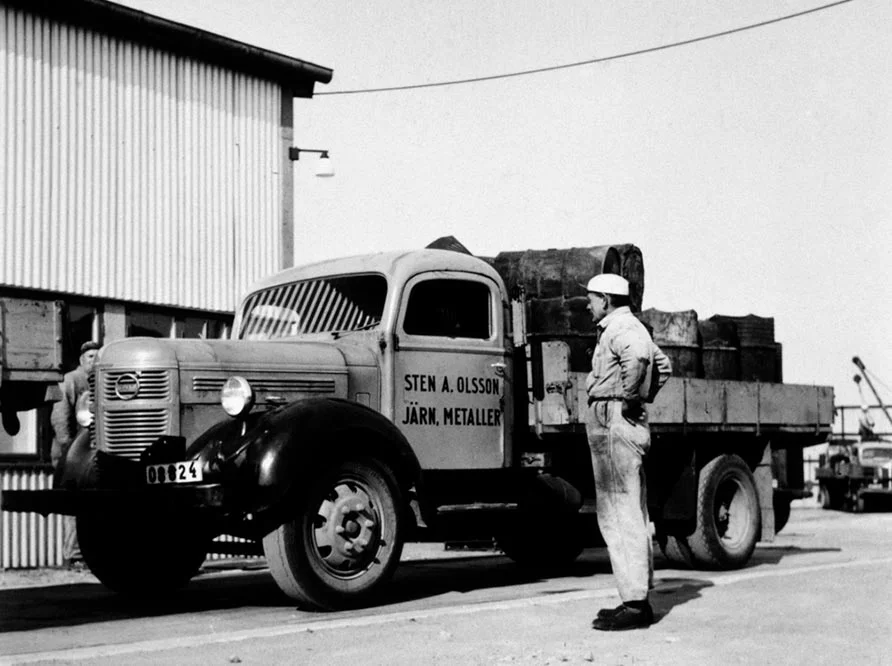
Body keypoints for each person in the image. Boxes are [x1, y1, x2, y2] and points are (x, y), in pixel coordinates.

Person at [583, 274, 671, 631]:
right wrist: (641, 396)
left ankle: (634, 605)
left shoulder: (620, 328)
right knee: (629, 510)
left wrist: (630, 397)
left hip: (614, 420)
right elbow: (663, 365)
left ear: (605, 299)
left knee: (619, 513)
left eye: (591, 299)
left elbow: (638, 358)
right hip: (619, 418)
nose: (589, 305)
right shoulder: (626, 326)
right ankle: (635, 598)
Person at [51, 340, 100, 569]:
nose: (94, 360)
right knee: (75, 503)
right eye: (90, 356)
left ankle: (90, 555)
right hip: (72, 453)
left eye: (97, 356)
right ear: (81, 360)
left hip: (94, 453)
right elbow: (60, 416)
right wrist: (66, 449)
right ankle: (74, 555)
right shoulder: (72, 379)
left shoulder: (101, 380)